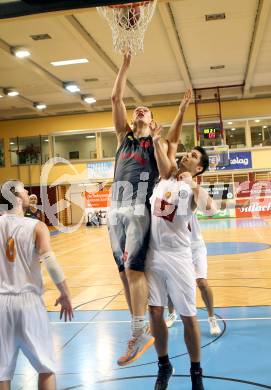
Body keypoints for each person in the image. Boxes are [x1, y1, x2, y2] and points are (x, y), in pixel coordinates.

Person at [108, 50, 192, 366]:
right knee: (122, 272)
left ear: (153, 122)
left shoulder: (157, 144)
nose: (140, 111)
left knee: (133, 269)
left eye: (147, 111)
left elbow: (175, 137)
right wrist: (125, 66)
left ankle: (140, 329)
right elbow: (116, 99)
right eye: (137, 110)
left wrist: (182, 109)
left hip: (138, 210)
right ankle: (137, 329)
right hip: (114, 210)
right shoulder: (123, 138)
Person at [146, 138, 217, 390]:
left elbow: (211, 208)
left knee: (188, 317)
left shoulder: (191, 188)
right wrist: (156, 140)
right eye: (189, 152)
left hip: (179, 256)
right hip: (153, 255)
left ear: (199, 168)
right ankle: (164, 365)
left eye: (194, 156)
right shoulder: (164, 179)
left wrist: (193, 184)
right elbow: (162, 153)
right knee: (155, 312)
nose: (188, 155)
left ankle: (196, 372)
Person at [0, 180, 73, 390]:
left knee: (2, 373)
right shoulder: (36, 227)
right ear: (16, 197)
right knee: (46, 368)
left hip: (1, 303)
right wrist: (65, 292)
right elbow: (49, 261)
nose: (28, 193)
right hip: (29, 302)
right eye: (24, 190)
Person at [165, 214, 221, 336]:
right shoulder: (162, 199)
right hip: (177, 247)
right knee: (170, 281)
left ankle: (212, 318)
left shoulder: (188, 196)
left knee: (202, 282)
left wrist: (238, 203)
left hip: (196, 247)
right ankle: (171, 314)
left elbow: (210, 207)